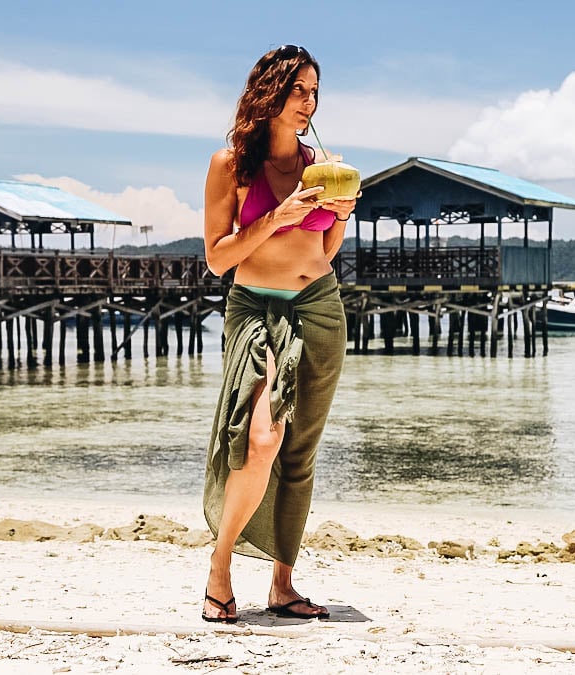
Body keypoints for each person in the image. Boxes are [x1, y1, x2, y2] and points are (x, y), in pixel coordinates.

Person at [200, 45, 357, 623]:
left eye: (314, 91)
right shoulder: (231, 165)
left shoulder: (322, 164)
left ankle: (282, 584)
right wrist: (276, 217)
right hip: (255, 308)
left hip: (318, 306)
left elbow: (324, 252)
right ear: (268, 92)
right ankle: (220, 567)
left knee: (299, 452)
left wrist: (339, 215)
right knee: (259, 437)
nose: (308, 102)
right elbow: (219, 260)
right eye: (298, 90)